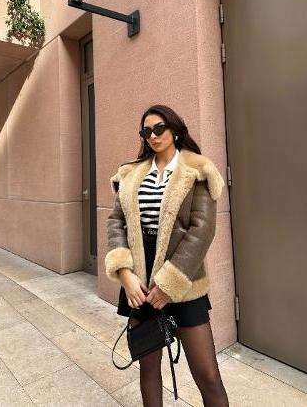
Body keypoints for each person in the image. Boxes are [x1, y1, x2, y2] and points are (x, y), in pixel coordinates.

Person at [105, 104, 230, 406]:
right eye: (146, 131)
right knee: (148, 370)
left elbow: (202, 231)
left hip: (183, 276)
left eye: (159, 128)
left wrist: (169, 283)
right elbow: (116, 222)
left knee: (208, 375)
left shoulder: (197, 170)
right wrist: (125, 274)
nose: (153, 135)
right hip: (139, 281)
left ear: (174, 130)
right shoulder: (131, 173)